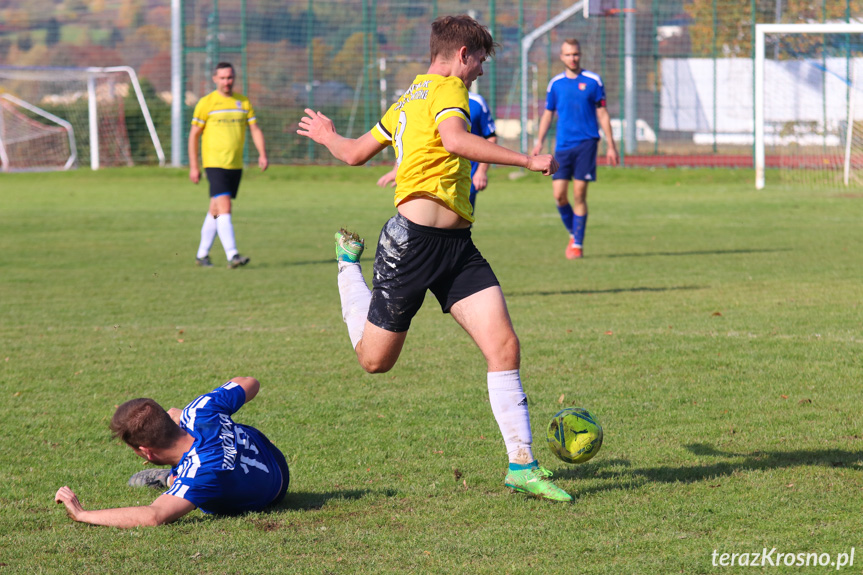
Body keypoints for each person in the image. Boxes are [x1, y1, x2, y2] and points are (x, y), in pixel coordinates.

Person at [297, 15, 571, 503]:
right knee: (374, 362)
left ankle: (522, 466)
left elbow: (356, 153)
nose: (481, 72)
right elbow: (455, 141)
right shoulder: (447, 91)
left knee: (504, 347)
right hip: (410, 247)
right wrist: (529, 160)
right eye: (480, 61)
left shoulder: (409, 97)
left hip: (458, 250)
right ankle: (346, 266)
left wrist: (327, 136)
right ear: (462, 55)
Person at [54, 377, 289, 527]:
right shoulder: (201, 410)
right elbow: (250, 382)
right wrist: (188, 411)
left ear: (147, 453)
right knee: (194, 473)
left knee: (187, 484)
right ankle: (171, 478)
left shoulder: (198, 475)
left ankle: (170, 479)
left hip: (270, 495)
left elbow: (153, 516)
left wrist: (83, 514)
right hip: (272, 457)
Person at [531, 38, 618, 260]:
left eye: (576, 54)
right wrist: (539, 141)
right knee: (559, 196)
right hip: (562, 147)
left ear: (581, 55)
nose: (573, 58)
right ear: (561, 57)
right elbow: (548, 114)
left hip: (587, 144)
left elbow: (602, 114)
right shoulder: (555, 84)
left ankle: (577, 244)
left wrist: (611, 145)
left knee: (579, 194)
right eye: (568, 54)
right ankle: (573, 232)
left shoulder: (593, 81)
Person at [188, 62, 268, 269]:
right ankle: (233, 255)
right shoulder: (207, 103)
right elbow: (193, 136)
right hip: (214, 164)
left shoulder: (243, 102)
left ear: (234, 78)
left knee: (215, 210)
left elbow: (255, 129)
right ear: (214, 79)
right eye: (222, 78)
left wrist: (262, 154)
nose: (226, 82)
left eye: (230, 77)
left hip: (235, 164)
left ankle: (202, 255)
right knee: (225, 208)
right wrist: (194, 166)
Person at [377, 90, 497, 211]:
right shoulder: (424, 98)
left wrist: (481, 171)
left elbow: (490, 136)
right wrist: (397, 169)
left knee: (459, 226)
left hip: (464, 179)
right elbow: (413, 138)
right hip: (428, 178)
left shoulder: (476, 102)